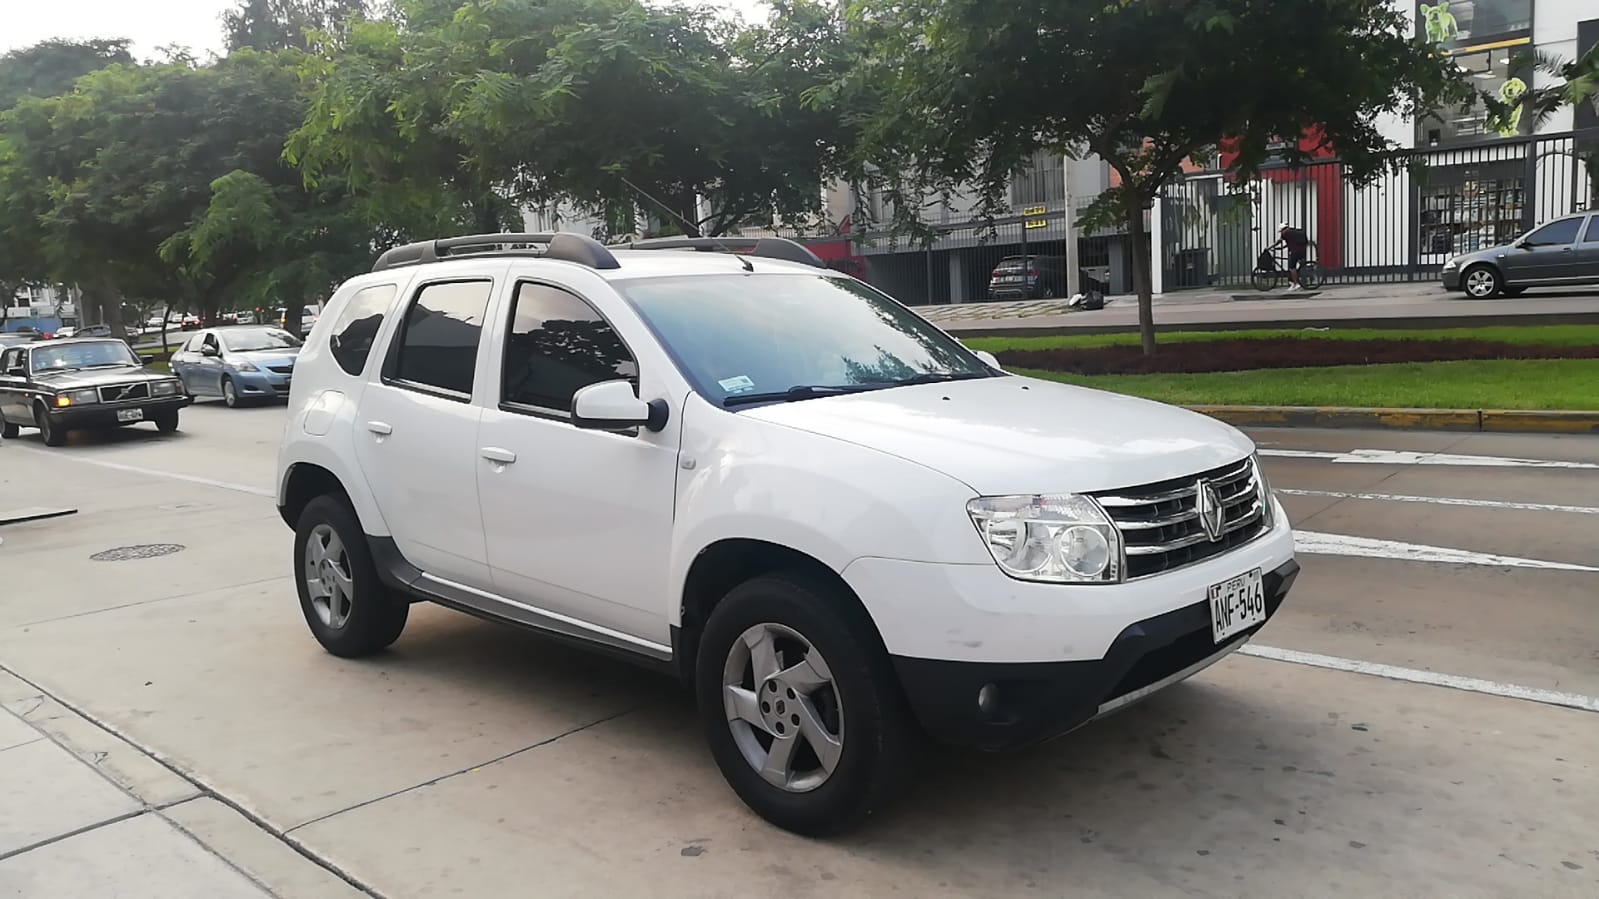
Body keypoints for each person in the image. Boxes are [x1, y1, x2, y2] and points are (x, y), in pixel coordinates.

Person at [1272, 221, 1313, 291]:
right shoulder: (1291, 232)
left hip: (1295, 252)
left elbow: (1279, 241)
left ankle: (1295, 284)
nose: (1281, 233)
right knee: (1294, 265)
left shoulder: (1285, 233)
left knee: (1292, 267)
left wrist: (1270, 247)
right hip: (1300, 251)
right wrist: (1279, 249)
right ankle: (1295, 281)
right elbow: (1288, 244)